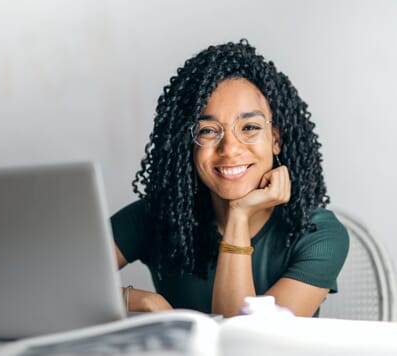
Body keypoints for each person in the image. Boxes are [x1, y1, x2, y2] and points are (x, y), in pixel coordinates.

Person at [111, 39, 349, 318]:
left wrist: (239, 214)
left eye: (249, 127)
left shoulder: (318, 235)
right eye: (208, 131)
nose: (230, 148)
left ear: (276, 140)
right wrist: (140, 300)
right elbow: (54, 283)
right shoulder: (157, 216)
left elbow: (247, 344)